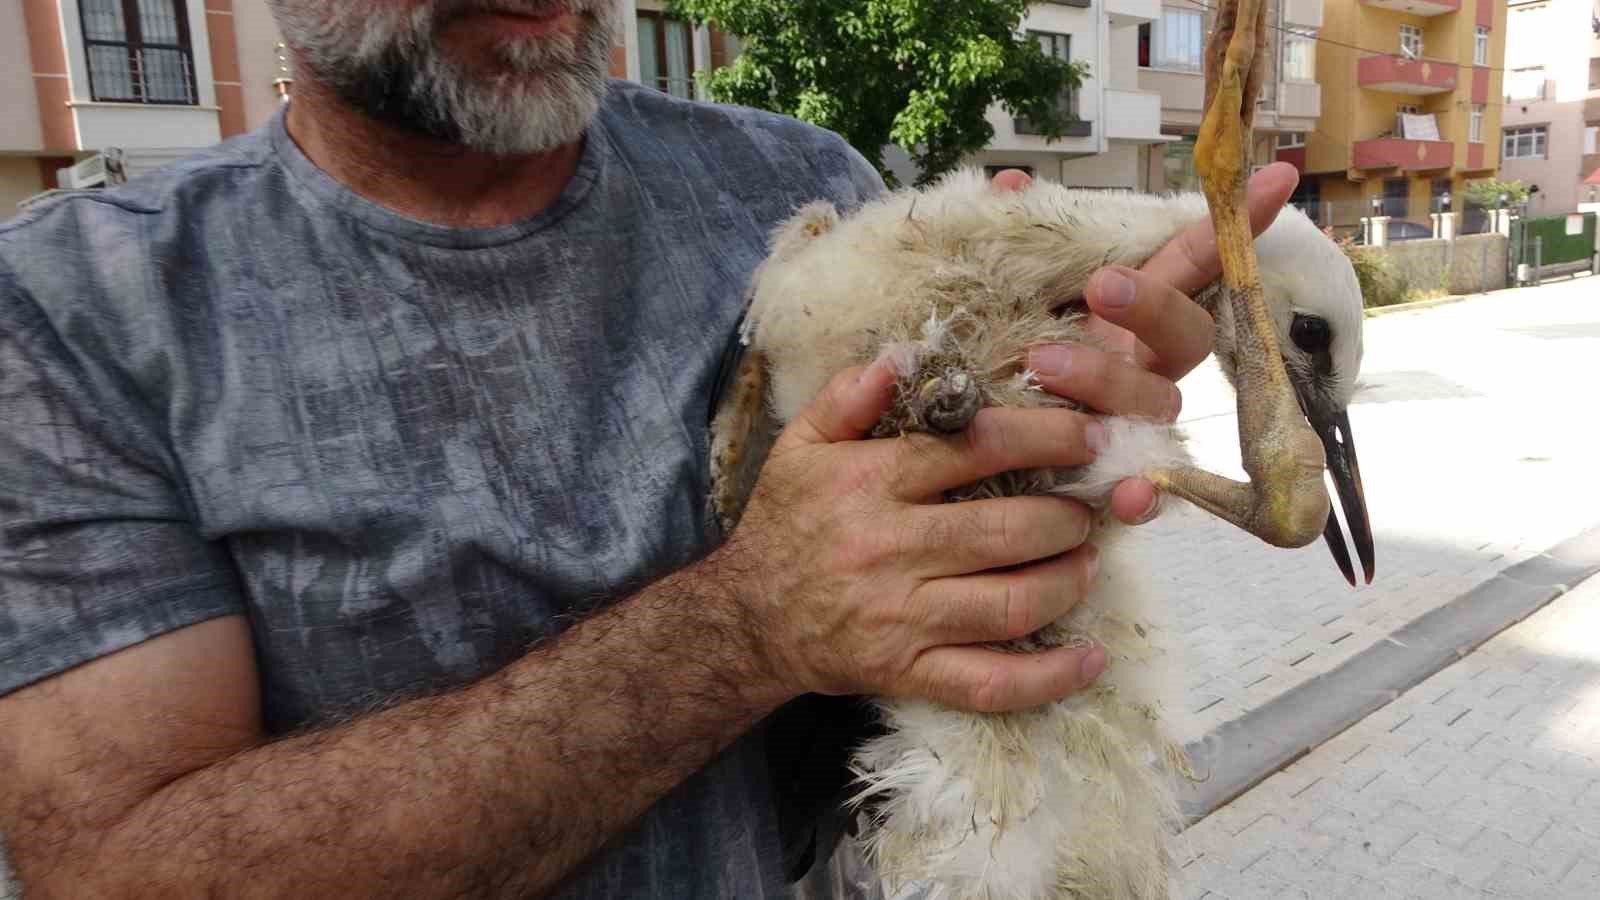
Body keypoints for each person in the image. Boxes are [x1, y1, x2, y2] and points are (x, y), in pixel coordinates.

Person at [0, 0, 1299, 896]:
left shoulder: (795, 190)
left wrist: (1030, 442)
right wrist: (748, 624)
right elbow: (122, 869)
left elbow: (905, 698)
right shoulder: (78, 310)